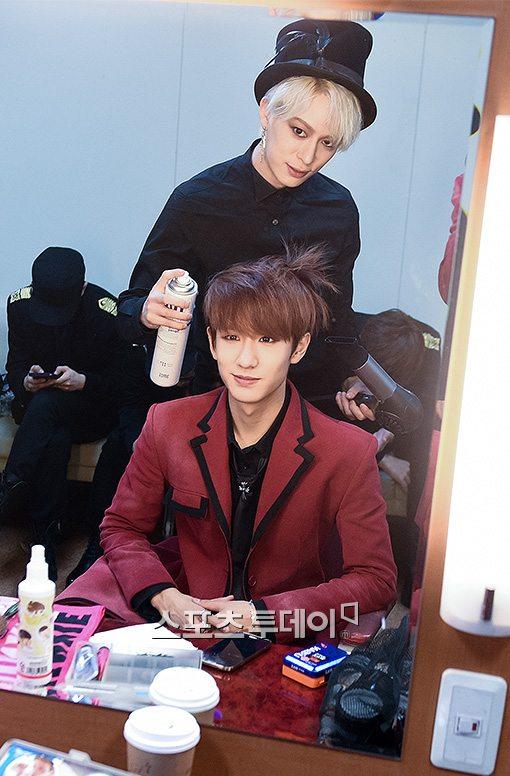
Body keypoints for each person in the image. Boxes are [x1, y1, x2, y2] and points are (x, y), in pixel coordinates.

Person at [58, 247, 396, 643]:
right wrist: (162, 594)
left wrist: (262, 617)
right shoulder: (168, 423)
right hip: (188, 619)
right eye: (232, 337)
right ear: (213, 343)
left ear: (299, 347)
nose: (246, 360)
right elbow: (122, 526)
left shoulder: (348, 450)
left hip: (286, 632)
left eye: (267, 340)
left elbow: (376, 579)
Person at [116, 19, 378, 420]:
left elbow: (337, 320)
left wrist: (354, 377)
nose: (309, 157)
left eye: (327, 143)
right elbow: (131, 305)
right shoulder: (197, 200)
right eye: (299, 131)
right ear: (266, 113)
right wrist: (146, 312)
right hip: (212, 403)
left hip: (305, 404)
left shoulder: (338, 210)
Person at [0, 247, 120, 580]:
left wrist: (83, 381)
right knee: (54, 436)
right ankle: (45, 540)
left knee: (48, 407)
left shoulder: (105, 312)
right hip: (42, 416)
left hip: (89, 409)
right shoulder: (19, 305)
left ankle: (11, 486)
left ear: (82, 289)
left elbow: (121, 385)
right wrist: (26, 381)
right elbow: (16, 365)